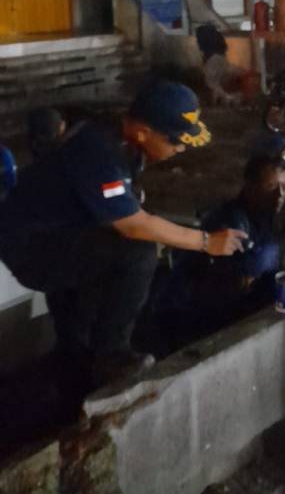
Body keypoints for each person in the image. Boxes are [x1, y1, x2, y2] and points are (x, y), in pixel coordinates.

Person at [0, 81, 247, 389]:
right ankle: (111, 356)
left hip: (56, 229)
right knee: (137, 252)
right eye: (175, 141)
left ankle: (74, 358)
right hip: (30, 247)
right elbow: (132, 224)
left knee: (97, 275)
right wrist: (206, 242)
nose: (180, 148)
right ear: (143, 131)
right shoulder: (101, 150)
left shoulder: (121, 137)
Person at [162, 154, 285, 343]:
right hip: (194, 319)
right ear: (250, 187)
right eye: (272, 187)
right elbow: (251, 265)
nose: (280, 194)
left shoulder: (266, 214)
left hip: (225, 305)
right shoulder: (230, 221)